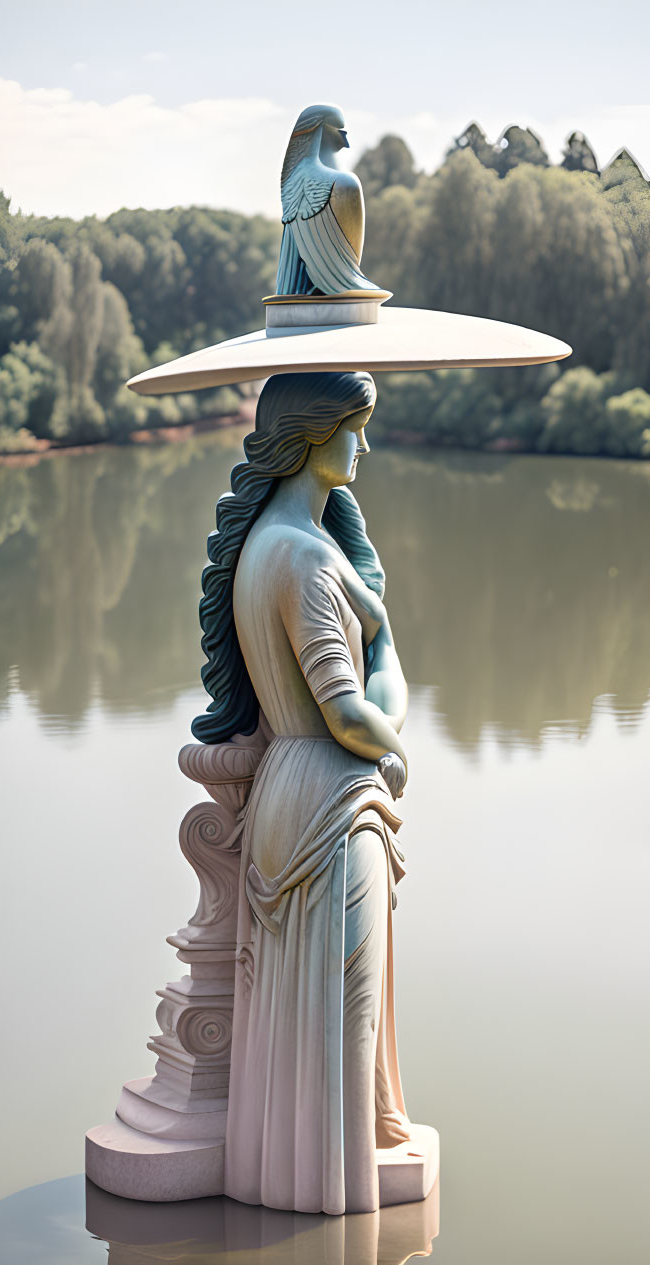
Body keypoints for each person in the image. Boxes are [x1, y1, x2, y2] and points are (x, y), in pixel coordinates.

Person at [192, 371, 412, 1215]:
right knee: (340, 1016)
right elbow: (350, 710)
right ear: (316, 433)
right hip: (330, 798)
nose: (366, 444)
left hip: (288, 784)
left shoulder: (265, 547)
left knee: (301, 1012)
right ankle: (330, 1200)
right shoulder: (308, 559)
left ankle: (281, 1181)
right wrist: (386, 643)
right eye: (358, 427)